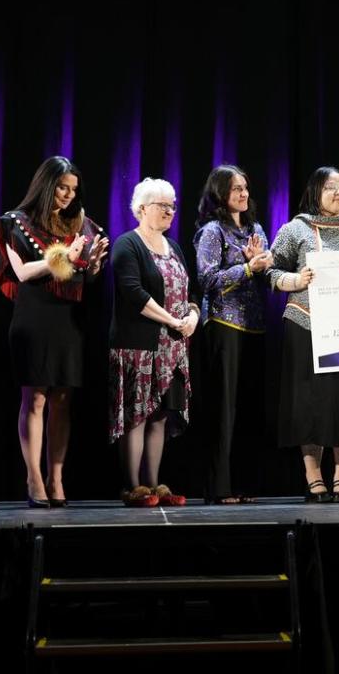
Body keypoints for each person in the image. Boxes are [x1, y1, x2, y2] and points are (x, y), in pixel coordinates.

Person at [0, 156, 109, 507]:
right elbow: (24, 273)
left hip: (69, 319)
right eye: (62, 187)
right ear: (46, 185)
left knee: (62, 399)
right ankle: (33, 478)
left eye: (73, 189)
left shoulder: (84, 225)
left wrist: (90, 265)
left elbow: (86, 279)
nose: (67, 194)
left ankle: (56, 478)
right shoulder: (15, 222)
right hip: (34, 317)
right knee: (36, 398)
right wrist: (61, 256)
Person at [269, 167, 339, 501]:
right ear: (315, 192)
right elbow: (271, 270)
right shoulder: (296, 228)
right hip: (306, 323)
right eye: (330, 187)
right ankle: (313, 475)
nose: (338, 192)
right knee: (308, 402)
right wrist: (294, 281)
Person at [108, 178, 196, 507]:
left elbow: (191, 292)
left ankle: (154, 483)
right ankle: (133, 487)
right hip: (138, 346)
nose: (170, 212)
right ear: (142, 209)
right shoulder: (127, 245)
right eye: (163, 206)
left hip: (172, 348)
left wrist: (191, 316)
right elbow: (134, 294)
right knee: (137, 415)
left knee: (159, 415)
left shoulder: (174, 247)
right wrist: (172, 320)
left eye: (172, 206)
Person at [193, 165, 273, 504]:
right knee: (223, 410)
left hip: (255, 326)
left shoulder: (255, 229)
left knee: (249, 409)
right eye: (236, 189)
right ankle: (220, 486)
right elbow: (207, 280)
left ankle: (245, 484)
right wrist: (246, 268)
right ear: (220, 194)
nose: (243, 194)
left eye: (245, 188)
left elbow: (266, 274)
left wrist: (262, 265)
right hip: (224, 326)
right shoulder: (213, 231)